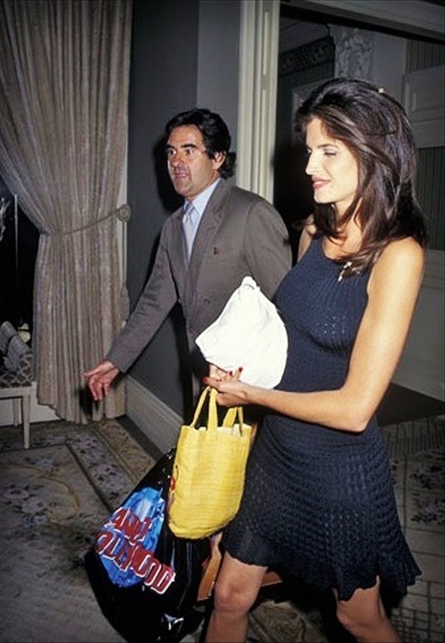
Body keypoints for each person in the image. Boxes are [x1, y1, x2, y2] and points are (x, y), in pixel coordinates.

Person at [203, 78, 427, 643]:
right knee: (229, 596)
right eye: (309, 150)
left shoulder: (398, 255)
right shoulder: (312, 232)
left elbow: (355, 409)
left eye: (328, 151)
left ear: (374, 154)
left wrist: (250, 396)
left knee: (358, 617)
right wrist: (242, 369)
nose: (309, 167)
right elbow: (291, 343)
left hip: (338, 470)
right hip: (277, 454)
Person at [84, 108, 292, 404]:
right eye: (171, 152)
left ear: (217, 158)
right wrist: (116, 360)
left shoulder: (251, 213)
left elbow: (288, 304)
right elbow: (153, 303)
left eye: (188, 150)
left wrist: (285, 390)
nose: (176, 162)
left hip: (251, 379)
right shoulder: (173, 228)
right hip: (202, 373)